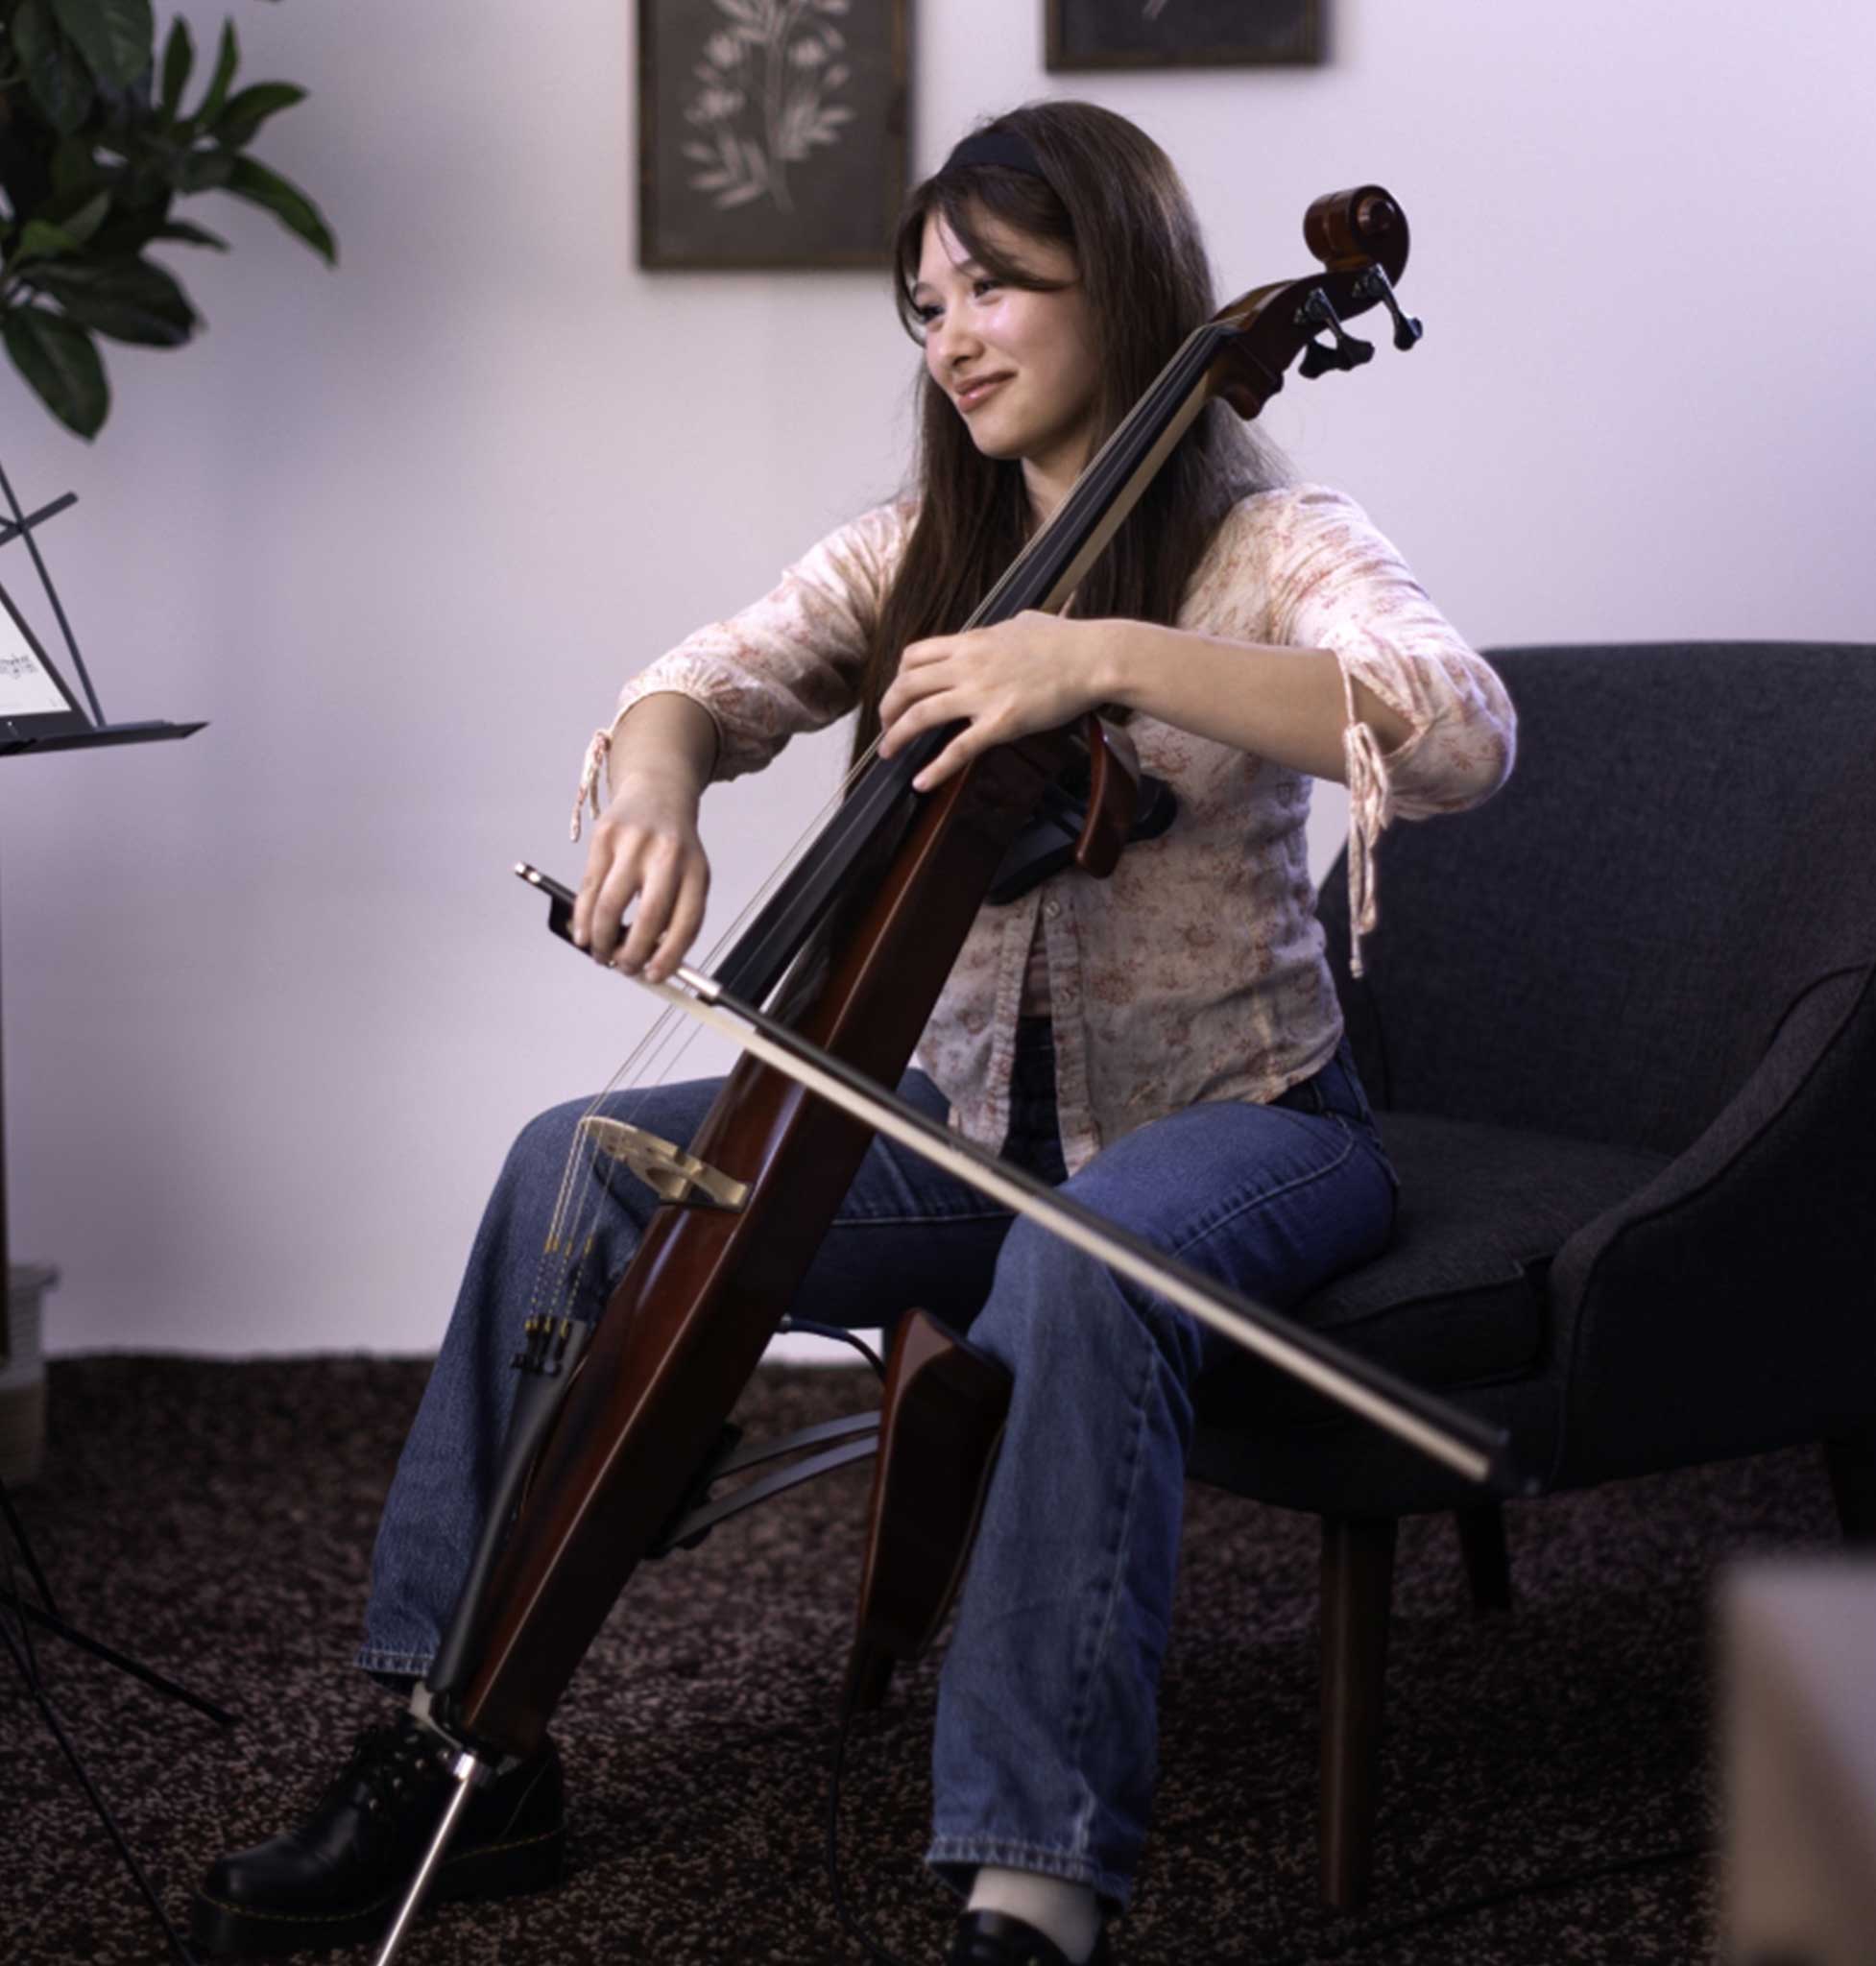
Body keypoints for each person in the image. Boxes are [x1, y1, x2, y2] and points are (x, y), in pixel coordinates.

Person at [191, 101, 1515, 1966]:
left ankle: (1031, 1880)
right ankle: (454, 1741)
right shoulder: (920, 549)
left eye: (994, 284)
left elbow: (1455, 731)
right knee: (572, 1165)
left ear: (1119, 288)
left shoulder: (1273, 539)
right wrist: (653, 789)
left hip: (1242, 1121)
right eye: (924, 301)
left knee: (1090, 1267)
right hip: (960, 1127)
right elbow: (698, 685)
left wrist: (1102, 659)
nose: (950, 333)